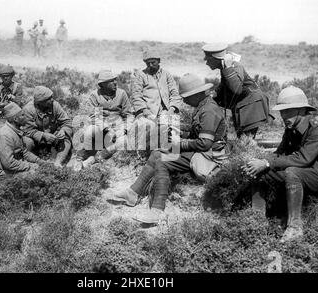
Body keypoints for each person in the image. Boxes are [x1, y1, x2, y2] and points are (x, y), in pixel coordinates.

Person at [109, 74, 228, 225]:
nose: (184, 100)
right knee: (157, 152)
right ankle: (133, 193)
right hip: (203, 151)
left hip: (209, 156)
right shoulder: (204, 106)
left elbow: (204, 143)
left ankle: (157, 210)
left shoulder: (208, 111)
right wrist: (178, 132)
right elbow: (197, 133)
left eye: (186, 96)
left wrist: (179, 143)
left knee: (163, 161)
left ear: (196, 94)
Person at [243, 86, 318, 242]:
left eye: (287, 111)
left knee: (292, 172)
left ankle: (294, 228)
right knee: (260, 172)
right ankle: (256, 221)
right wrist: (256, 163)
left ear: (300, 110)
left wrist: (266, 162)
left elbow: (302, 159)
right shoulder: (291, 128)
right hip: (307, 174)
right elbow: (279, 154)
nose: (283, 115)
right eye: (282, 111)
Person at [202, 43, 271, 138]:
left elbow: (237, 89)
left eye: (208, 59)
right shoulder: (225, 69)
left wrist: (229, 68)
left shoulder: (234, 67)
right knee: (241, 138)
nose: (207, 63)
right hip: (244, 105)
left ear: (216, 59)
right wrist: (211, 96)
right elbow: (223, 87)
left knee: (246, 140)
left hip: (252, 105)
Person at [74, 70, 133, 170]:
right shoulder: (95, 95)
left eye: (115, 80)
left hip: (118, 127)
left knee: (123, 141)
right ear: (103, 84)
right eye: (111, 81)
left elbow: (129, 115)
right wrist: (106, 129)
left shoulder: (122, 94)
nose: (115, 83)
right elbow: (94, 116)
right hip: (101, 127)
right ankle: (80, 157)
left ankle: (95, 159)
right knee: (89, 131)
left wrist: (124, 130)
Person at [131, 49, 182, 152]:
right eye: (147, 63)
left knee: (172, 127)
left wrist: (171, 109)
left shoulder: (166, 75)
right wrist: (145, 111)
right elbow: (136, 96)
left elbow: (174, 94)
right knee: (146, 128)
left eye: (153, 62)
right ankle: (141, 155)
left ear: (159, 61)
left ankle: (169, 154)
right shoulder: (141, 75)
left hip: (166, 110)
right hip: (147, 111)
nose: (150, 65)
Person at [0, 102, 44, 178]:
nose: (25, 117)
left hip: (7, 168)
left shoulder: (15, 130)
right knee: (34, 175)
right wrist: (29, 166)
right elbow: (9, 163)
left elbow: (24, 153)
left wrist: (39, 161)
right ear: (15, 119)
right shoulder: (5, 135)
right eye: (22, 115)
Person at [22, 86, 73, 168]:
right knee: (27, 141)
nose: (52, 99)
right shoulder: (28, 109)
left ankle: (58, 162)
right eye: (48, 99)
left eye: (51, 97)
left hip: (54, 137)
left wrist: (63, 131)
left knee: (66, 139)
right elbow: (28, 130)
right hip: (37, 140)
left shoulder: (55, 105)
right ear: (40, 102)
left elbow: (67, 122)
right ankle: (33, 161)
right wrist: (43, 135)